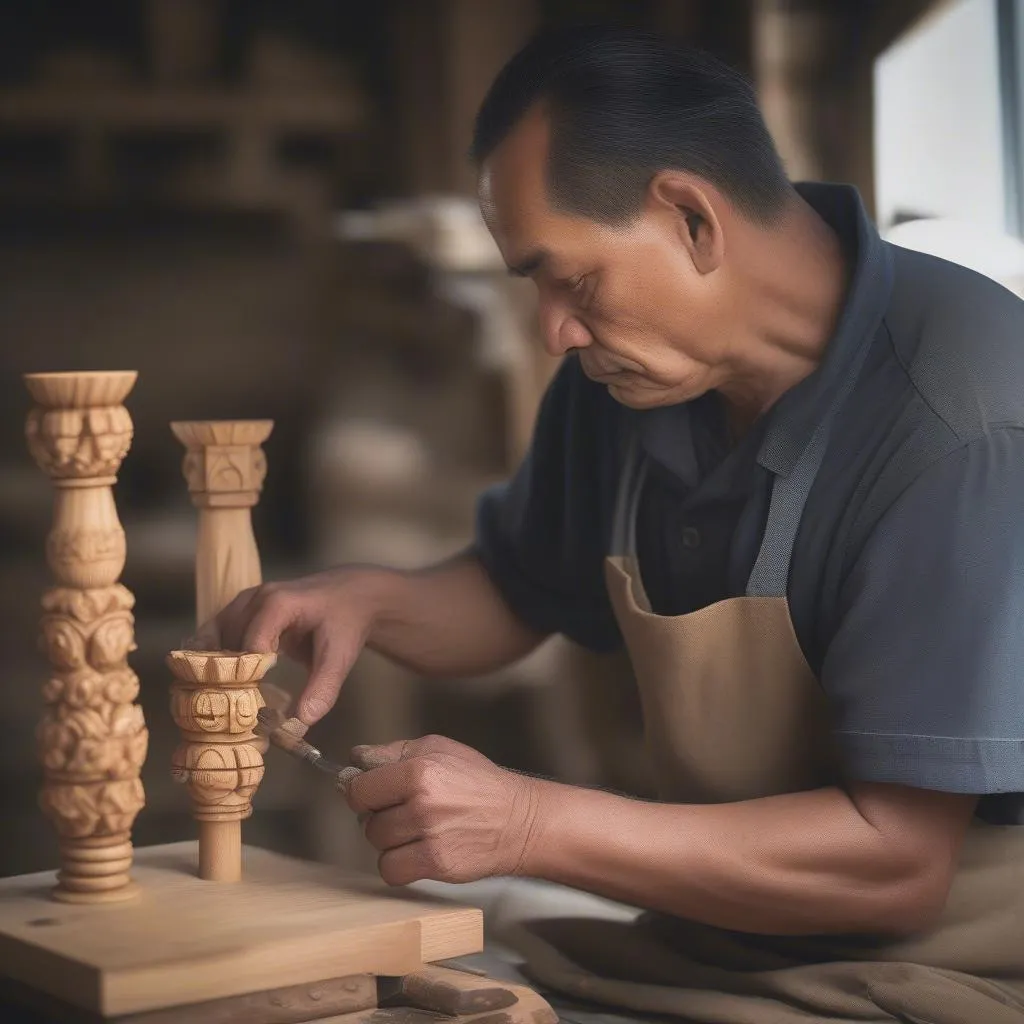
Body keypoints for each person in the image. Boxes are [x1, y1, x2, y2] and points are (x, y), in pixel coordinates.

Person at [199, 24, 1024, 1024]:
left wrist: (531, 822)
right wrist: (370, 601)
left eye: (571, 278)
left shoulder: (956, 415)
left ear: (690, 217)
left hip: (936, 973)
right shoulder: (630, 379)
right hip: (705, 944)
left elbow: (896, 868)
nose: (552, 331)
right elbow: (515, 591)